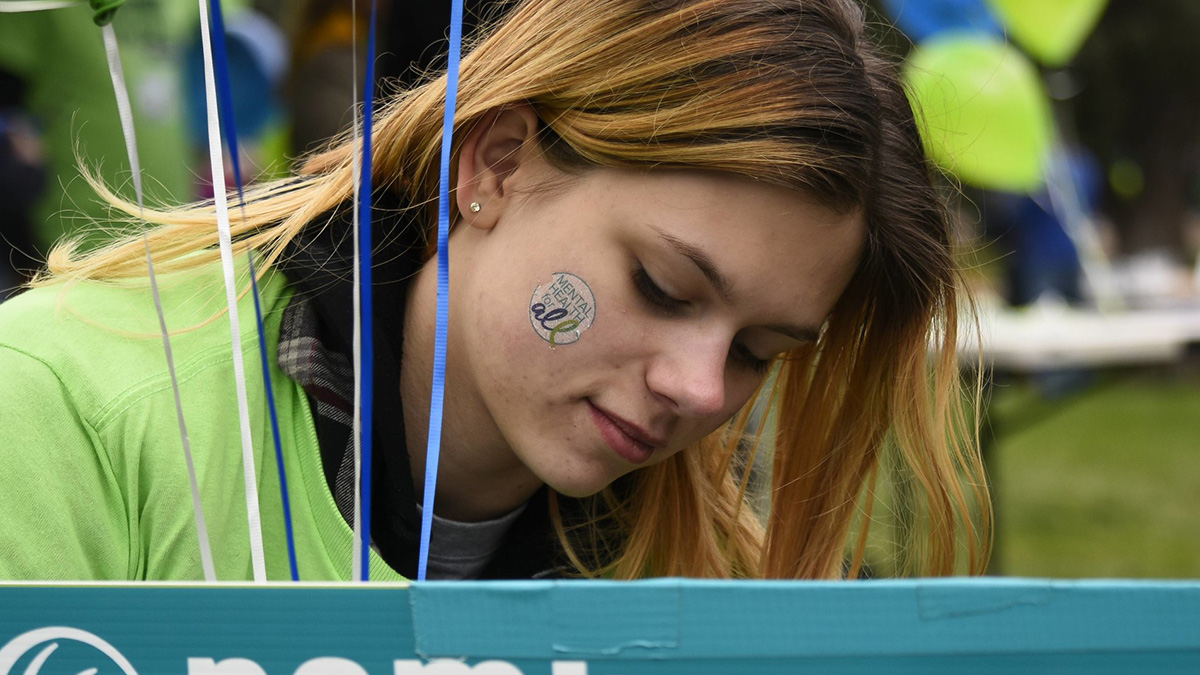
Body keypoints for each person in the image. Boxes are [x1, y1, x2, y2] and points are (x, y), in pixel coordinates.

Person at [0, 0, 988, 582]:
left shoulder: (699, 571)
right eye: (663, 286)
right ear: (495, 165)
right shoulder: (57, 405)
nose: (698, 388)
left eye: (755, 353)